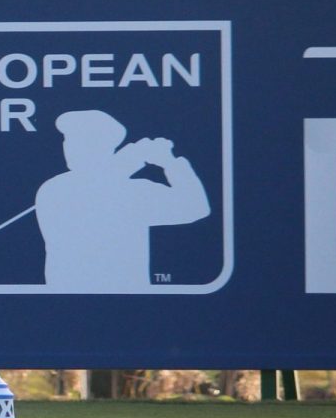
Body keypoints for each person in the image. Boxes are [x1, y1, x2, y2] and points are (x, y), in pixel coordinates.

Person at [34, 109, 211, 291]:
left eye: (84, 141)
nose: (70, 147)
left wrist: (169, 162)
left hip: (128, 300)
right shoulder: (55, 189)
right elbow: (93, 187)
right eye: (69, 139)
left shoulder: (132, 191)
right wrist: (145, 156)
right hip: (67, 299)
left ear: (105, 147)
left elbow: (196, 206)